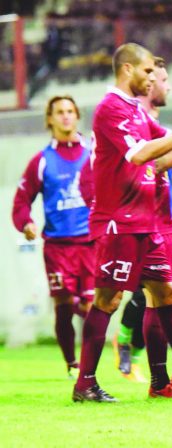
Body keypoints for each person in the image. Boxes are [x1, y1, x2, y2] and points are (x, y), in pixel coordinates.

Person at [72, 42, 172, 402]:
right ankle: (85, 384)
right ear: (128, 69)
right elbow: (141, 155)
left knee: (168, 293)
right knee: (108, 300)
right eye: (147, 71)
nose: (153, 78)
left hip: (147, 222)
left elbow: (169, 151)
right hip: (120, 222)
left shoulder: (136, 112)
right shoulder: (111, 108)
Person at [12, 95, 93, 378]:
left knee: (92, 305)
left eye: (71, 111)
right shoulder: (42, 160)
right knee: (64, 305)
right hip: (58, 246)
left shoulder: (93, 153)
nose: (66, 116)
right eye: (60, 112)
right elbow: (21, 201)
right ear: (50, 118)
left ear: (77, 115)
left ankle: (90, 368)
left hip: (92, 242)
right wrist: (26, 223)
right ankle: (72, 363)